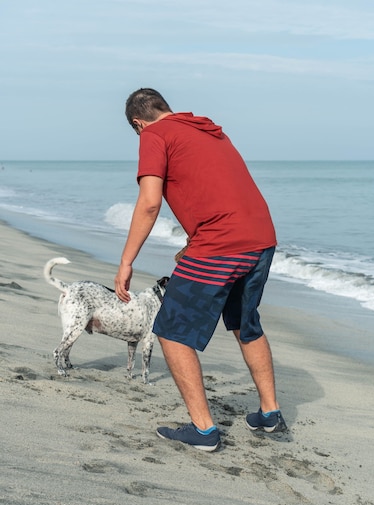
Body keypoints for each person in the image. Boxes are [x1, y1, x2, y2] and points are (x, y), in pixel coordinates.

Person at [114, 88, 287, 452]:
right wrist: (194, 242)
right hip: (260, 236)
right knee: (245, 323)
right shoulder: (209, 130)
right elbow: (222, 192)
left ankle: (204, 430)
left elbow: (149, 204)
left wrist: (126, 261)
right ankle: (270, 414)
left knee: (172, 331)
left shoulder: (155, 135)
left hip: (221, 243)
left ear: (137, 123)